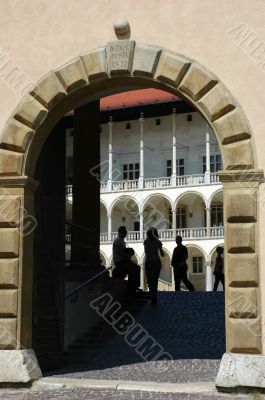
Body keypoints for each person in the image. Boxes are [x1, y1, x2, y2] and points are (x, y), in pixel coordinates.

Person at [112, 226, 141, 293]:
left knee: (136, 268)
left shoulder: (121, 241)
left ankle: (134, 286)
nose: (125, 234)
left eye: (125, 232)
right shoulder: (117, 241)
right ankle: (132, 287)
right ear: (120, 232)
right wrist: (128, 254)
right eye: (124, 232)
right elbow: (119, 252)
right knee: (134, 269)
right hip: (120, 262)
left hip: (123, 261)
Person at [144, 227, 164, 306]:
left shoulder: (145, 242)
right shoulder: (158, 242)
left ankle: (151, 295)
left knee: (149, 280)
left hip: (148, 261)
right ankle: (154, 297)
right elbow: (162, 254)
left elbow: (146, 252)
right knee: (155, 280)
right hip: (156, 262)